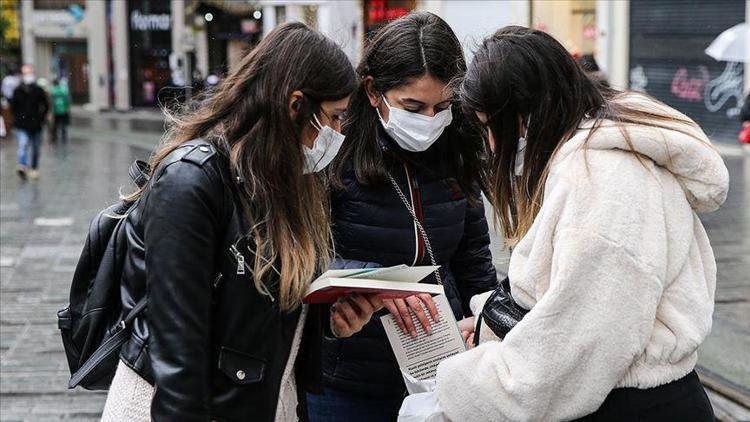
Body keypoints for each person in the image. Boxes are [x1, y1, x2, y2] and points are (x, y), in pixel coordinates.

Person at [431, 26, 727, 421]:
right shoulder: (591, 159)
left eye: (491, 128)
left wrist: (460, 383)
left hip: (629, 406)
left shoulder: (601, 179)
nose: (492, 146)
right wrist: (494, 324)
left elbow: (577, 346)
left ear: (523, 114)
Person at [100, 22, 381, 422]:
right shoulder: (191, 180)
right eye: (334, 118)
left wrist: (330, 323)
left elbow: (261, 307)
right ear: (295, 104)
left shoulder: (290, 180)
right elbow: (178, 353)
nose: (337, 134)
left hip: (261, 403)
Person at [307, 12, 496, 421]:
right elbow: (300, 255)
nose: (430, 121)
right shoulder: (332, 153)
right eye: (413, 106)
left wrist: (486, 327)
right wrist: (380, 281)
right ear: (374, 92)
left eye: (442, 106)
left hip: (441, 371)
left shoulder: (457, 148)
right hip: (349, 377)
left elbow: (473, 256)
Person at [10, 64, 49, 180]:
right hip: (21, 124)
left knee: (36, 148)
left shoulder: (38, 90)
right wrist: (17, 118)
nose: (28, 75)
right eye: (26, 73)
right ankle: (22, 165)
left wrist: (41, 118)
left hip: (36, 124)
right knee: (23, 143)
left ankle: (34, 168)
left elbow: (45, 105)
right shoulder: (17, 90)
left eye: (29, 73)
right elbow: (13, 106)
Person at [50, 78, 71, 144]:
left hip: (55, 111)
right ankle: (64, 137)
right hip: (63, 110)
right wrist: (67, 108)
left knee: (55, 125)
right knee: (63, 125)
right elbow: (67, 101)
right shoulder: (63, 90)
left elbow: (51, 102)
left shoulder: (52, 91)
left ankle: (54, 138)